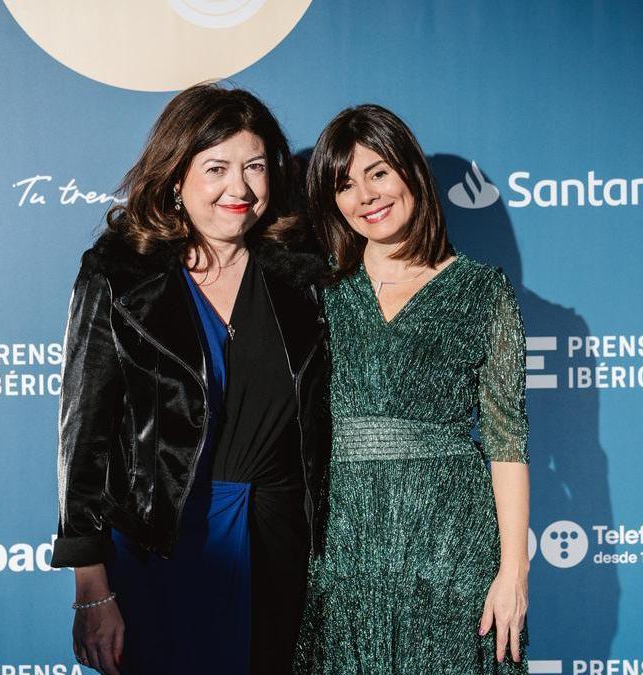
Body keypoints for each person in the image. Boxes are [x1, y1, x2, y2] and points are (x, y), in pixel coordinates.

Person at [50, 83, 330, 675]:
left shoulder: (300, 270)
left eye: (255, 167)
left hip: (281, 548)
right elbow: (87, 433)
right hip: (161, 545)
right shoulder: (120, 271)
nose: (241, 188)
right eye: (217, 168)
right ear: (176, 177)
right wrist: (92, 588)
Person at [295, 104, 531, 674]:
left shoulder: (482, 291)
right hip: (342, 547)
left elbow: (507, 442)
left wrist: (513, 573)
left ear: (410, 172)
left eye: (377, 172)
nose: (366, 196)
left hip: (451, 547)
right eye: (345, 185)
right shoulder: (316, 291)